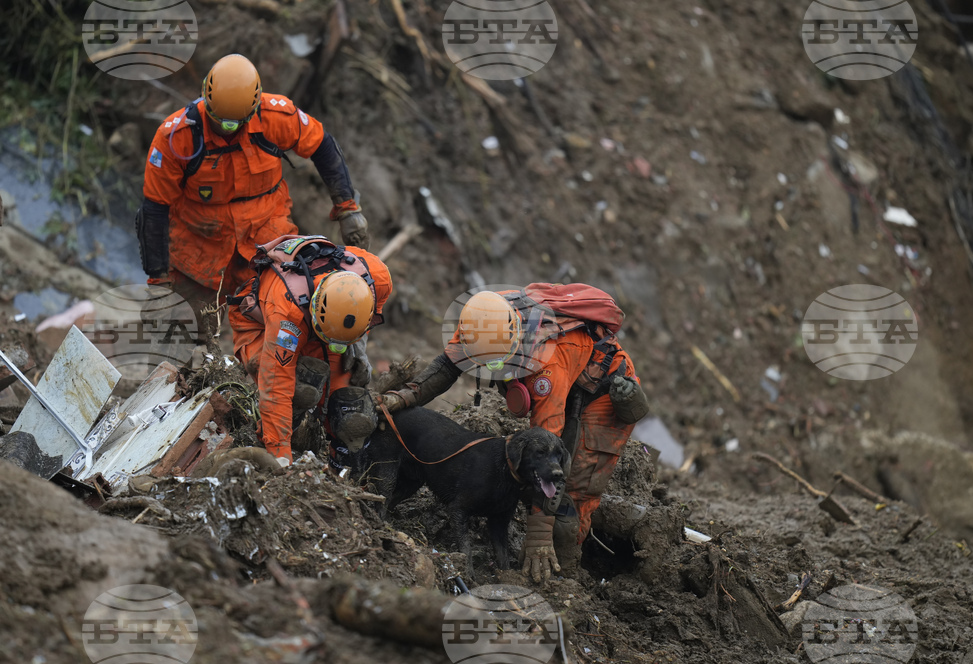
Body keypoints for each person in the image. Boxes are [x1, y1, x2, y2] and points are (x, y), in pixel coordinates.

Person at [380, 284, 649, 582]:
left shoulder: (548, 361)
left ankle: (566, 575)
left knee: (569, 490)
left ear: (515, 341)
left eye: (498, 363)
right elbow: (446, 368)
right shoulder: (480, 325)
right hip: (563, 376)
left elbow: (548, 441)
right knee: (525, 477)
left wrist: (539, 536)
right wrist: (402, 398)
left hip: (603, 392)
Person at [137, 53, 370, 331]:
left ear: (253, 109)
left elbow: (322, 145)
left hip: (269, 240)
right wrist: (158, 282)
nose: (227, 130)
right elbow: (154, 209)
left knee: (287, 318)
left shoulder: (277, 117)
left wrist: (347, 209)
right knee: (178, 330)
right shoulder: (175, 138)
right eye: (219, 121)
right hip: (199, 248)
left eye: (235, 124)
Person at [229, 235, 392, 467]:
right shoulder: (287, 316)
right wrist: (280, 459)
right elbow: (276, 388)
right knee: (300, 388)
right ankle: (280, 438)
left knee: (351, 414)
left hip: (327, 329)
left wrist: (357, 346)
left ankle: (346, 474)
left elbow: (365, 311)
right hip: (262, 324)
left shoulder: (378, 278)